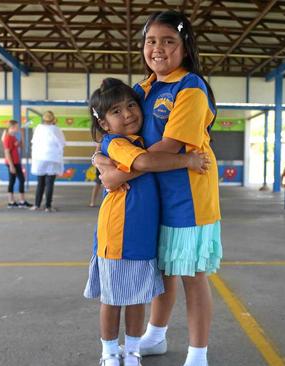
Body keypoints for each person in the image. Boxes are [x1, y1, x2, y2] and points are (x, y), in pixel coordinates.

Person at [94, 11, 222, 366]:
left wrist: (118, 173)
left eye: (169, 41)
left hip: (188, 198)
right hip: (154, 199)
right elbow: (113, 137)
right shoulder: (143, 88)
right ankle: (155, 335)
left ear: (184, 47)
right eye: (151, 41)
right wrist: (101, 160)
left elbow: (168, 148)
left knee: (192, 276)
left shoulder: (190, 87)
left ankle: (198, 354)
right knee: (161, 271)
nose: (158, 49)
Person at [83, 78, 210, 366]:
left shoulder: (135, 141)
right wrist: (186, 161)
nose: (128, 114)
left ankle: (132, 351)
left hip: (141, 234)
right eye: (116, 111)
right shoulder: (115, 142)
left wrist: (108, 167)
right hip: (118, 232)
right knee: (113, 299)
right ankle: (109, 353)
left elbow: (139, 159)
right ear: (104, 123)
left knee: (137, 297)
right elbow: (143, 162)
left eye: (131, 105)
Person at [30, 111, 66, 212]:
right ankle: (48, 206)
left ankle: (37, 205)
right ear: (53, 119)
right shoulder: (56, 129)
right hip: (52, 158)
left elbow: (34, 142)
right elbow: (62, 143)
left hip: (39, 158)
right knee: (49, 183)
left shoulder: (38, 128)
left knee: (40, 182)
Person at [3, 120, 31, 208]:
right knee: (15, 180)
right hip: (12, 163)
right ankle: (12, 201)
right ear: (12, 127)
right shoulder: (7, 138)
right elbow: (7, 152)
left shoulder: (13, 137)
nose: (18, 128)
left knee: (19, 180)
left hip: (16, 162)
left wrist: (22, 134)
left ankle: (18, 201)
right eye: (17, 127)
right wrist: (11, 165)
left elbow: (21, 145)